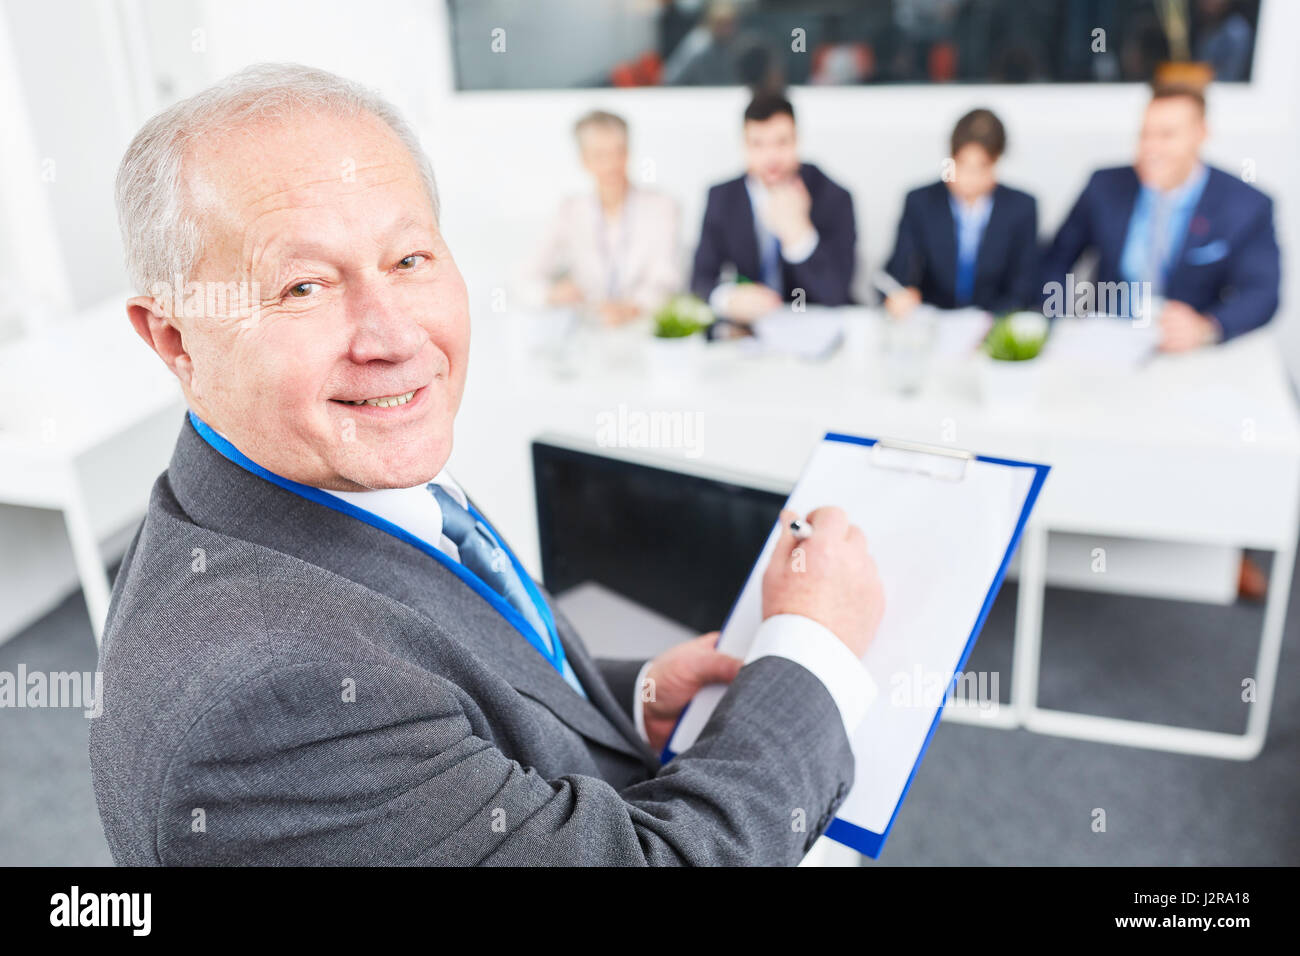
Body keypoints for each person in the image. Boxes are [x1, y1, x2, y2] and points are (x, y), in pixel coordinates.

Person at [89, 64, 886, 866]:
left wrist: (629, 696)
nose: (395, 336)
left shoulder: (334, 472)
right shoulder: (266, 708)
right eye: (303, 286)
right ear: (174, 340)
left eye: (409, 260)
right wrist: (810, 645)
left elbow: (448, 666)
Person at [1040, 83, 1279, 351]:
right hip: (1108, 339)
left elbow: (1263, 292)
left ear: (1201, 134)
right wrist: (1056, 319)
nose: (1150, 149)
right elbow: (1054, 261)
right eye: (1145, 135)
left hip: (1189, 349)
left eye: (1167, 135)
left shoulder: (1245, 204)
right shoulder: (1103, 186)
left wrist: (1207, 327)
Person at [691, 91, 856, 323]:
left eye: (781, 142)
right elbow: (699, 281)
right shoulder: (722, 197)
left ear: (797, 141)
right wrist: (729, 299)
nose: (771, 157)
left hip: (814, 329)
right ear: (744, 146)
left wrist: (799, 235)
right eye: (758, 144)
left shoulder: (834, 197)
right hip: (747, 333)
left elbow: (835, 295)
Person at [517, 110, 680, 325]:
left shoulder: (662, 206)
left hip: (645, 326)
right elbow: (523, 279)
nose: (612, 165)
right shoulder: (570, 211)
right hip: (588, 330)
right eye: (600, 155)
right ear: (584, 160)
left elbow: (667, 281)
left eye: (618, 152)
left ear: (628, 152)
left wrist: (631, 308)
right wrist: (553, 294)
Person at [883, 108, 1038, 317]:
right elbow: (898, 272)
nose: (969, 177)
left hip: (992, 325)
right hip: (933, 322)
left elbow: (1023, 288)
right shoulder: (920, 202)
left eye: (981, 166)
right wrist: (901, 295)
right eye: (962, 164)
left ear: (997, 162)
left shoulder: (1021, 208)